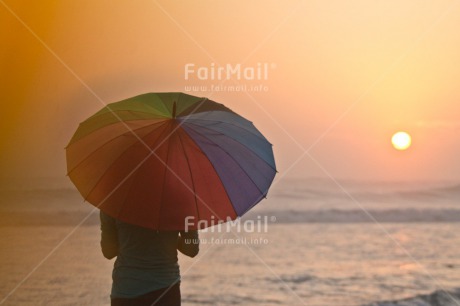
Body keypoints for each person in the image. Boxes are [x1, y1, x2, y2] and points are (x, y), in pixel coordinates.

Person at [100, 211, 199, 306]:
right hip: (166, 291)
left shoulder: (112, 202)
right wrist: (170, 239)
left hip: (126, 290)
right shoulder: (182, 202)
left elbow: (109, 252)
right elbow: (191, 249)